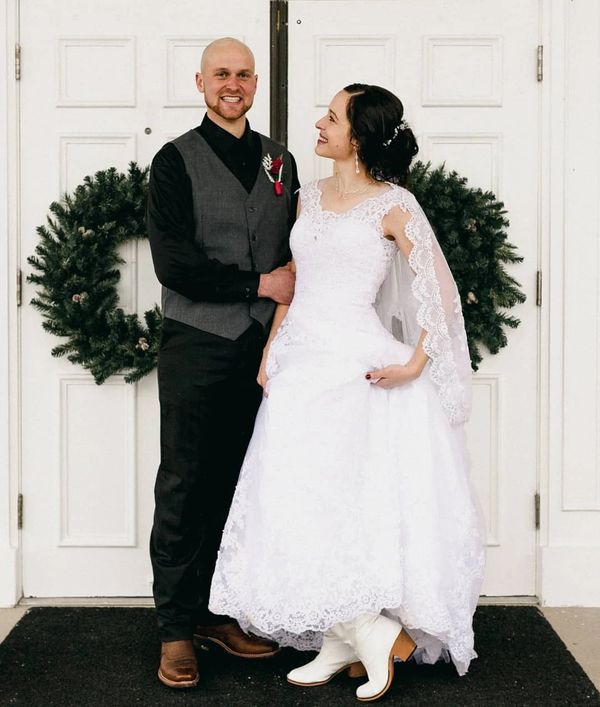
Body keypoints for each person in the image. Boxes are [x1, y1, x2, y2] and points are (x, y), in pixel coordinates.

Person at [209, 83, 486, 702]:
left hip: (354, 368)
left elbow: (437, 292)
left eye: (330, 117)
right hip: (300, 364)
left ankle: (376, 634)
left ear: (357, 135)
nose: (319, 123)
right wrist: (270, 350)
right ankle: (342, 634)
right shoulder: (308, 197)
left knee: (340, 500)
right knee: (294, 498)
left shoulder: (394, 205)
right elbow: (297, 283)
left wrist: (417, 361)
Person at [146, 37, 299, 689]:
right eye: (220, 74)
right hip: (197, 342)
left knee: (243, 486)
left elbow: (298, 244)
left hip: (266, 351)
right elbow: (173, 265)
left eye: (242, 74)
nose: (231, 84)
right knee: (185, 482)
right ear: (201, 82)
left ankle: (219, 611)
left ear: (255, 83)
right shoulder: (174, 160)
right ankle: (176, 628)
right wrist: (257, 286)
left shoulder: (280, 160)